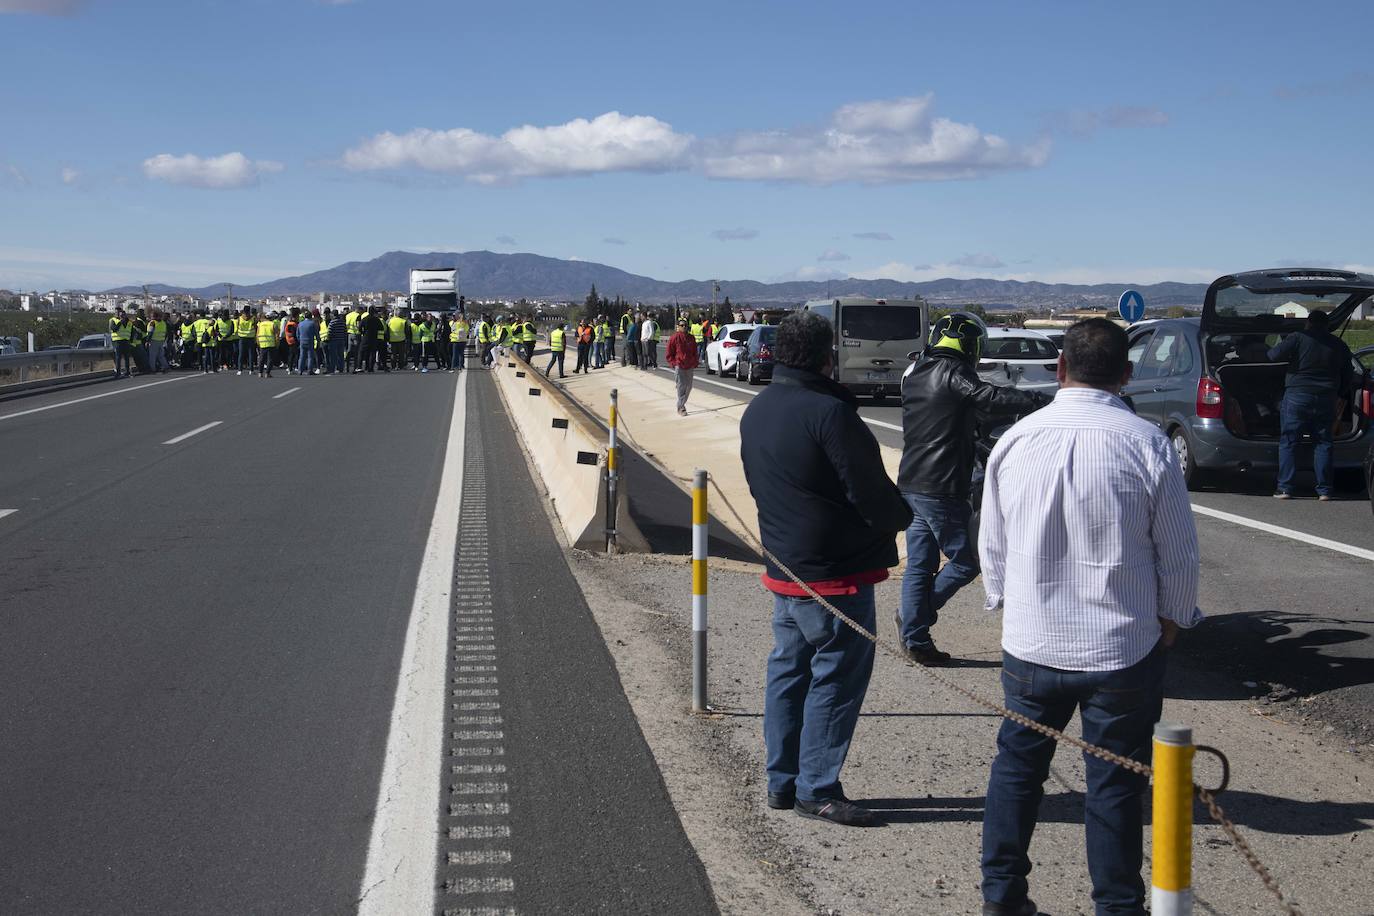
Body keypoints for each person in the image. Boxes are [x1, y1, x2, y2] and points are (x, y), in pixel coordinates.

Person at [978, 318, 1202, 916]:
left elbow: (991, 543)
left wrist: (1004, 601)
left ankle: (1001, 897)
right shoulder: (1146, 442)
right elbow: (1177, 550)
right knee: (1114, 784)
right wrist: (1174, 615)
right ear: (1127, 376)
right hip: (1122, 646)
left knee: (1018, 771)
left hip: (1032, 642)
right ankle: (1117, 905)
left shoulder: (1016, 440)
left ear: (1059, 369)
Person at [740, 310, 912, 828]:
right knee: (835, 679)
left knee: (788, 673)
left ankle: (781, 782)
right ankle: (817, 786)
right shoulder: (830, 413)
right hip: (834, 575)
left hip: (784, 568)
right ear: (825, 355)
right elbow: (871, 494)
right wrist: (903, 517)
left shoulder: (758, 408)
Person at [895, 312, 1051, 665]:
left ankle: (915, 638)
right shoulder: (953, 372)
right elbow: (988, 396)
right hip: (942, 486)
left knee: (920, 565)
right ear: (971, 345)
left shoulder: (916, 372)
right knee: (967, 560)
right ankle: (915, 620)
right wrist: (1039, 401)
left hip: (912, 482)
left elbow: (951, 416)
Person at [1267, 309, 1355, 501]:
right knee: (1323, 442)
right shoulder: (1339, 344)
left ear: (1308, 323)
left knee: (1290, 441)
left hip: (1298, 394)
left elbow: (1272, 355)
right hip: (1326, 397)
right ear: (1327, 325)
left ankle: (1285, 488)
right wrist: (1338, 394)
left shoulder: (1298, 337)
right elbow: (1348, 375)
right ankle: (1324, 490)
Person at [665, 318, 699, 415]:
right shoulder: (674, 338)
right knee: (681, 386)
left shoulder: (691, 338)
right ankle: (681, 407)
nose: (684, 327)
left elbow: (695, 352)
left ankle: (680, 404)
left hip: (689, 365)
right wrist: (673, 363)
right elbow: (669, 352)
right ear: (678, 327)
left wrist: (695, 362)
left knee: (689, 386)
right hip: (679, 365)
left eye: (685, 325)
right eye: (682, 325)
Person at [109, 308, 134, 378]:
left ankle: (127, 372)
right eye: (121, 315)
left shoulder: (129, 322)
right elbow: (114, 329)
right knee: (118, 358)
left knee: (126, 358)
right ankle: (118, 373)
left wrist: (131, 342)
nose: (122, 316)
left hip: (126, 341)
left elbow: (132, 332)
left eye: (123, 315)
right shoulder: (114, 320)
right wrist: (120, 322)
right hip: (118, 341)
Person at [256, 313, 279, 377]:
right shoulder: (273, 324)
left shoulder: (260, 324)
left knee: (262, 359)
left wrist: (258, 342)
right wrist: (277, 343)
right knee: (270, 359)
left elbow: (257, 334)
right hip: (271, 344)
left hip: (262, 344)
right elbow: (277, 335)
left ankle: (260, 373)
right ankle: (267, 373)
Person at [297, 311, 319, 375]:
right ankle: (310, 370)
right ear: (311, 316)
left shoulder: (300, 324)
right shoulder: (312, 323)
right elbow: (316, 333)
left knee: (302, 356)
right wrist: (318, 341)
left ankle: (300, 370)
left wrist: (299, 340)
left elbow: (297, 334)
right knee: (310, 357)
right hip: (310, 341)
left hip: (302, 341)